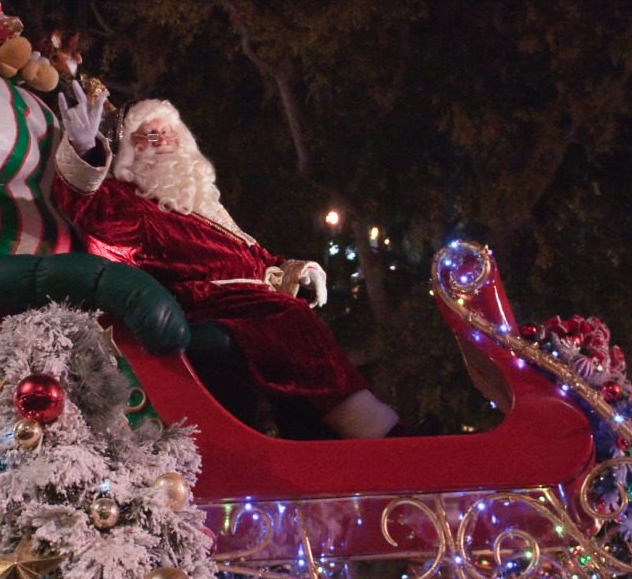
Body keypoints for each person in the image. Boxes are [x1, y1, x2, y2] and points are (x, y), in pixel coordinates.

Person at [51, 84, 413, 439]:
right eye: (148, 135)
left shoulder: (200, 205)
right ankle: (371, 431)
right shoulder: (134, 206)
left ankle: (323, 436)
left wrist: (302, 269)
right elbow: (90, 210)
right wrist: (86, 151)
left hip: (250, 301)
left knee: (291, 320)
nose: (163, 140)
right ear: (129, 151)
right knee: (289, 318)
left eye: (168, 131)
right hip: (206, 304)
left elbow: (254, 259)